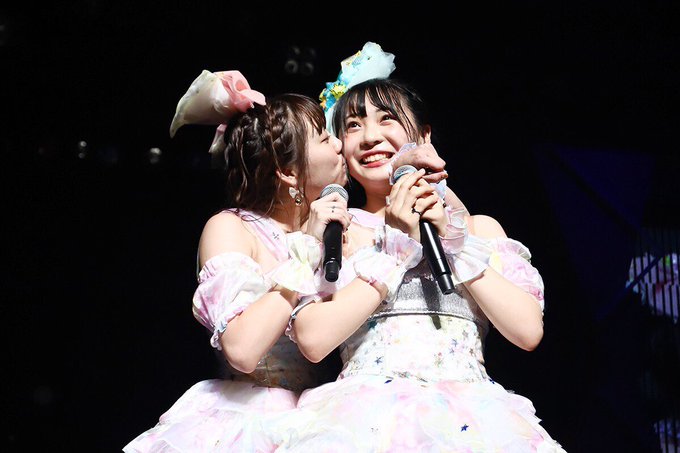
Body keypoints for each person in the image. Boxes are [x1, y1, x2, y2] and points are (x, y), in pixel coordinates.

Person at [264, 44, 566, 451]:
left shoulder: (477, 229)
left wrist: (455, 243)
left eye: (386, 118)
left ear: (424, 136)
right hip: (366, 421)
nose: (370, 137)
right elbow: (314, 341)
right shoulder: (336, 231)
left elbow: (528, 331)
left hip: (471, 419)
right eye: (352, 126)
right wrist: (393, 251)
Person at [123, 70, 352, 452]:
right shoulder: (232, 228)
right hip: (252, 418)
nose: (340, 143)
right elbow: (243, 349)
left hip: (324, 415)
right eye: (325, 137)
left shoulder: (341, 228)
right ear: (288, 172)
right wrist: (307, 249)